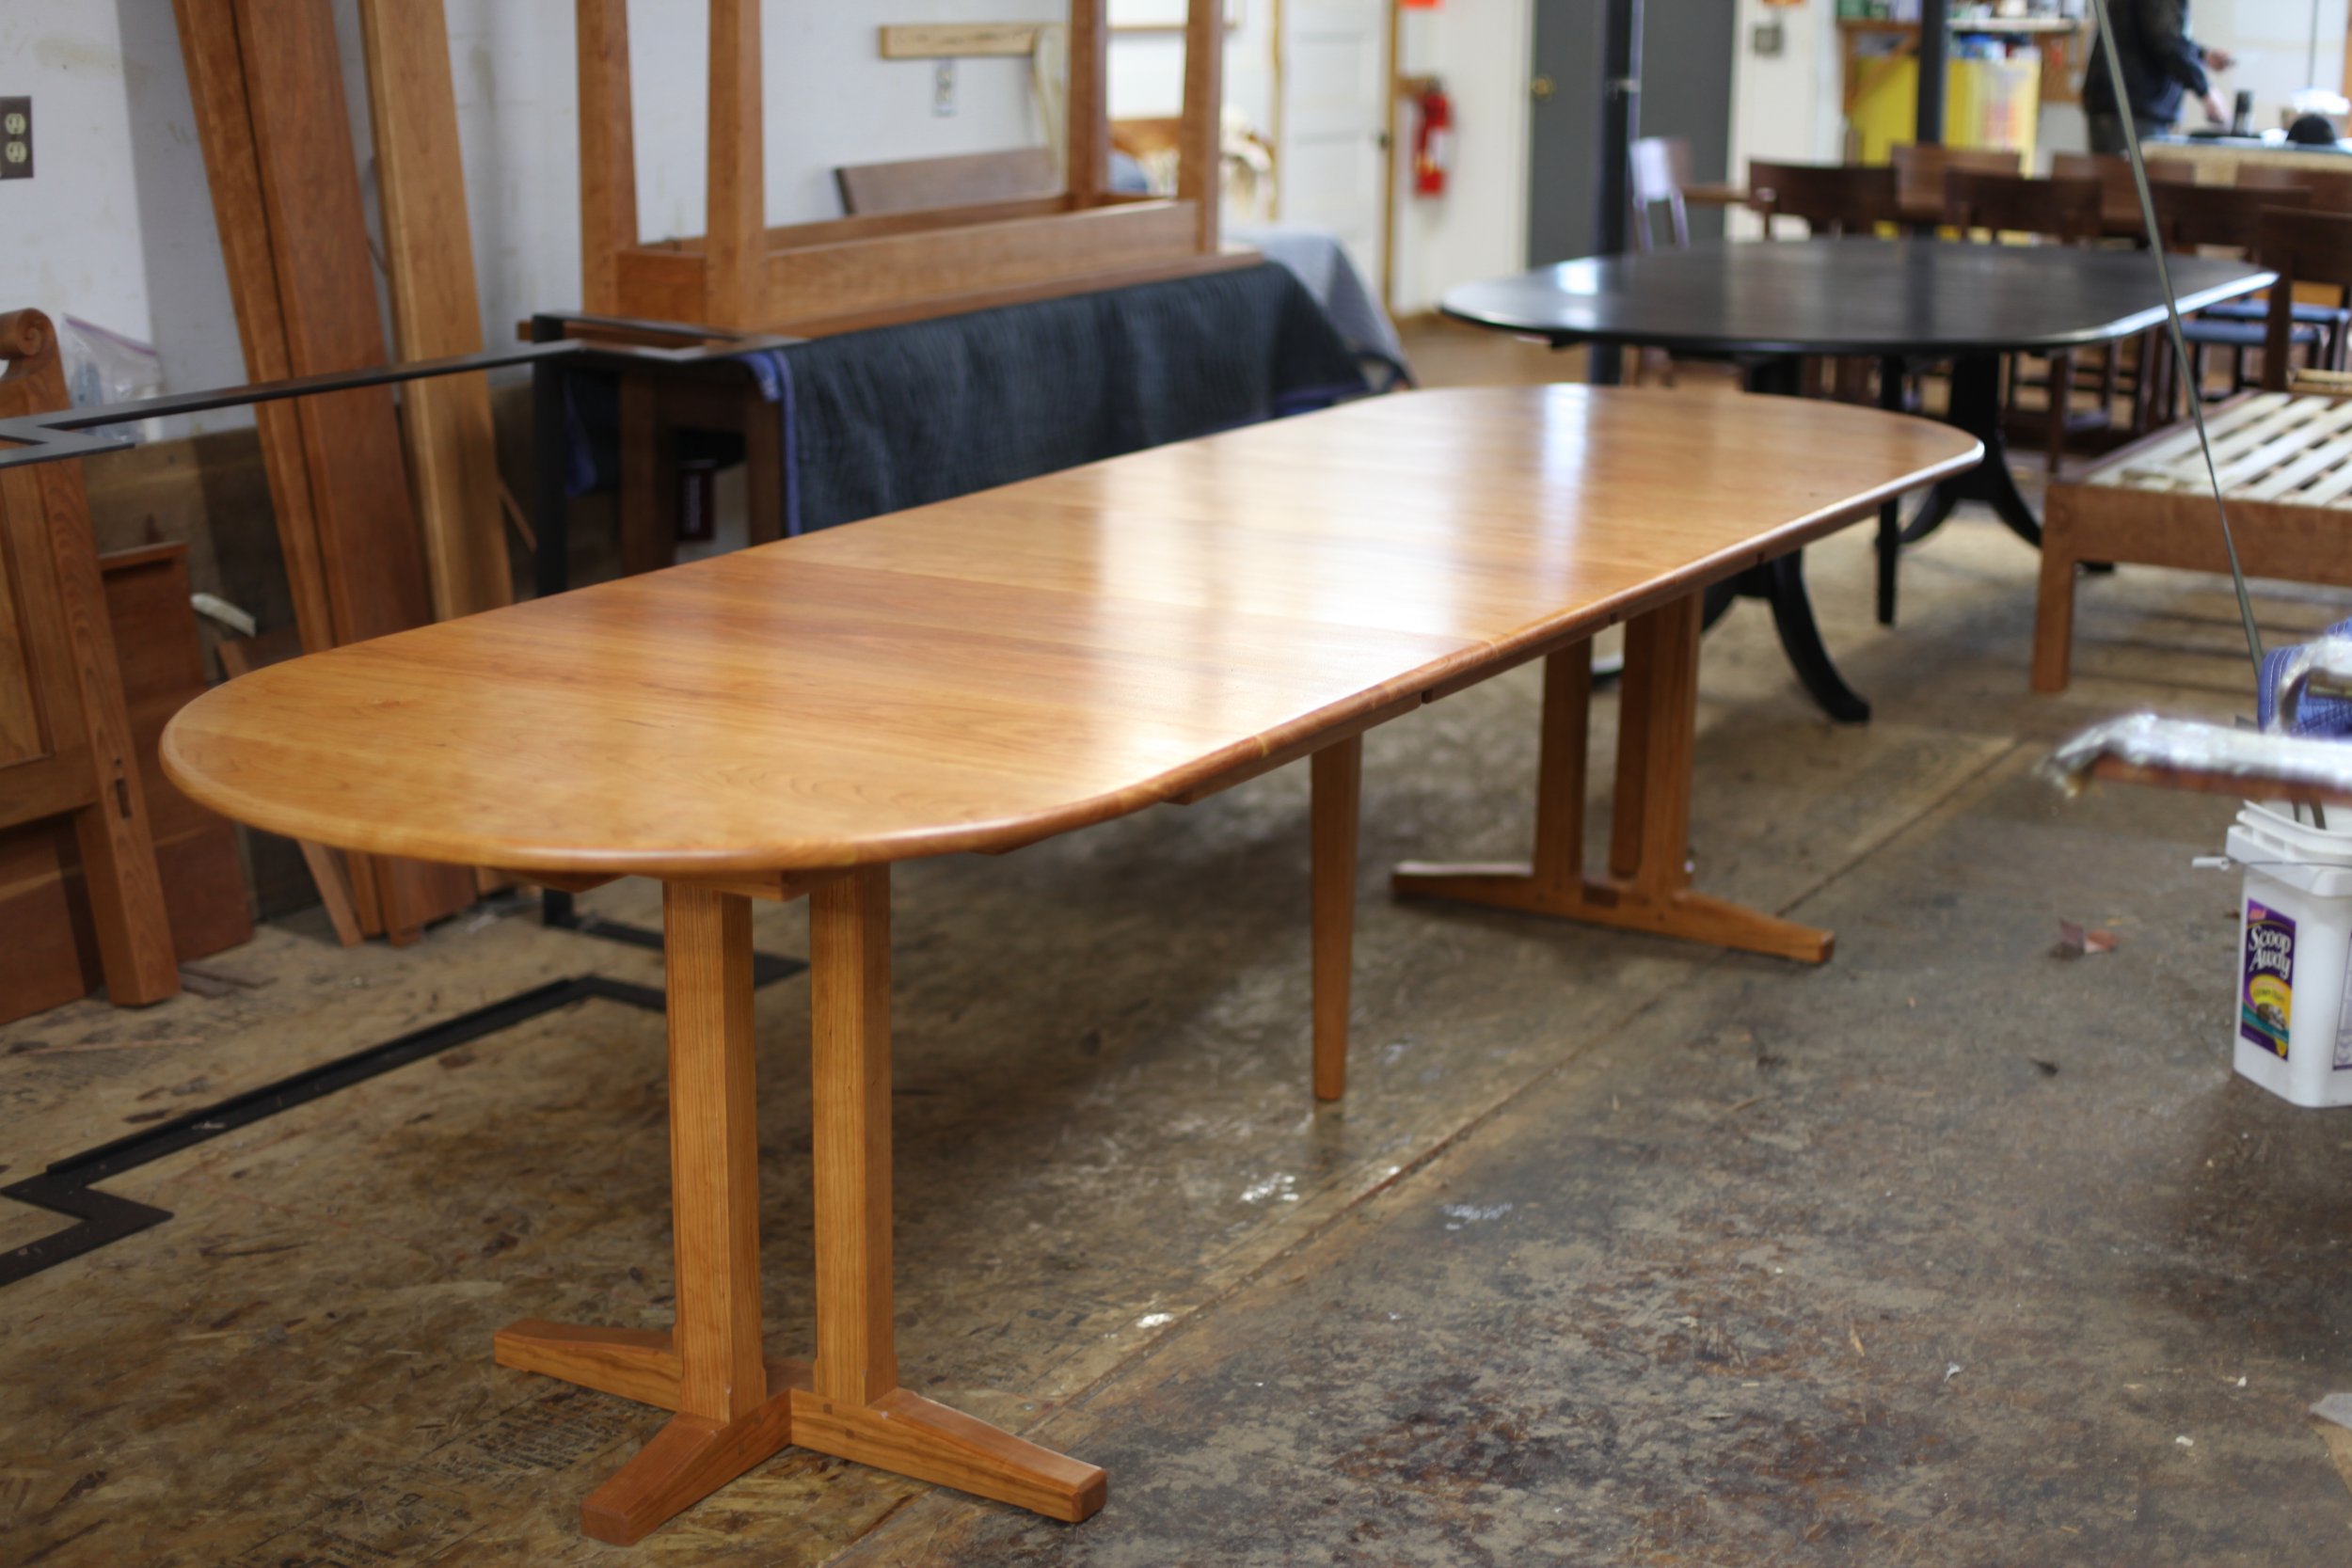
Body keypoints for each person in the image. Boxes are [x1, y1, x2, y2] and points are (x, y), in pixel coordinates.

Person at [2082, 0, 2235, 154]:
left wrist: (2202, 54)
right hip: (2132, 108)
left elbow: (2159, 31)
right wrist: (2206, 91)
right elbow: (2165, 39)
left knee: (2123, 176)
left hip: (2130, 107)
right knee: (2128, 176)